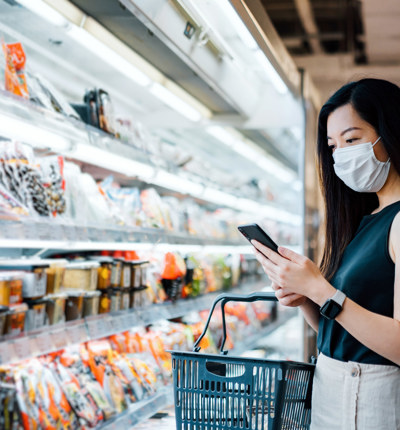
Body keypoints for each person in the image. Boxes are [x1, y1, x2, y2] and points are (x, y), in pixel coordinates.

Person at [253, 78, 400, 430]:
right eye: (334, 146)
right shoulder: (366, 221)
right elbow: (343, 332)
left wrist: (322, 290)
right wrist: (305, 298)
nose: (342, 155)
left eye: (352, 140)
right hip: (334, 390)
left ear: (391, 133)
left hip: (368, 402)